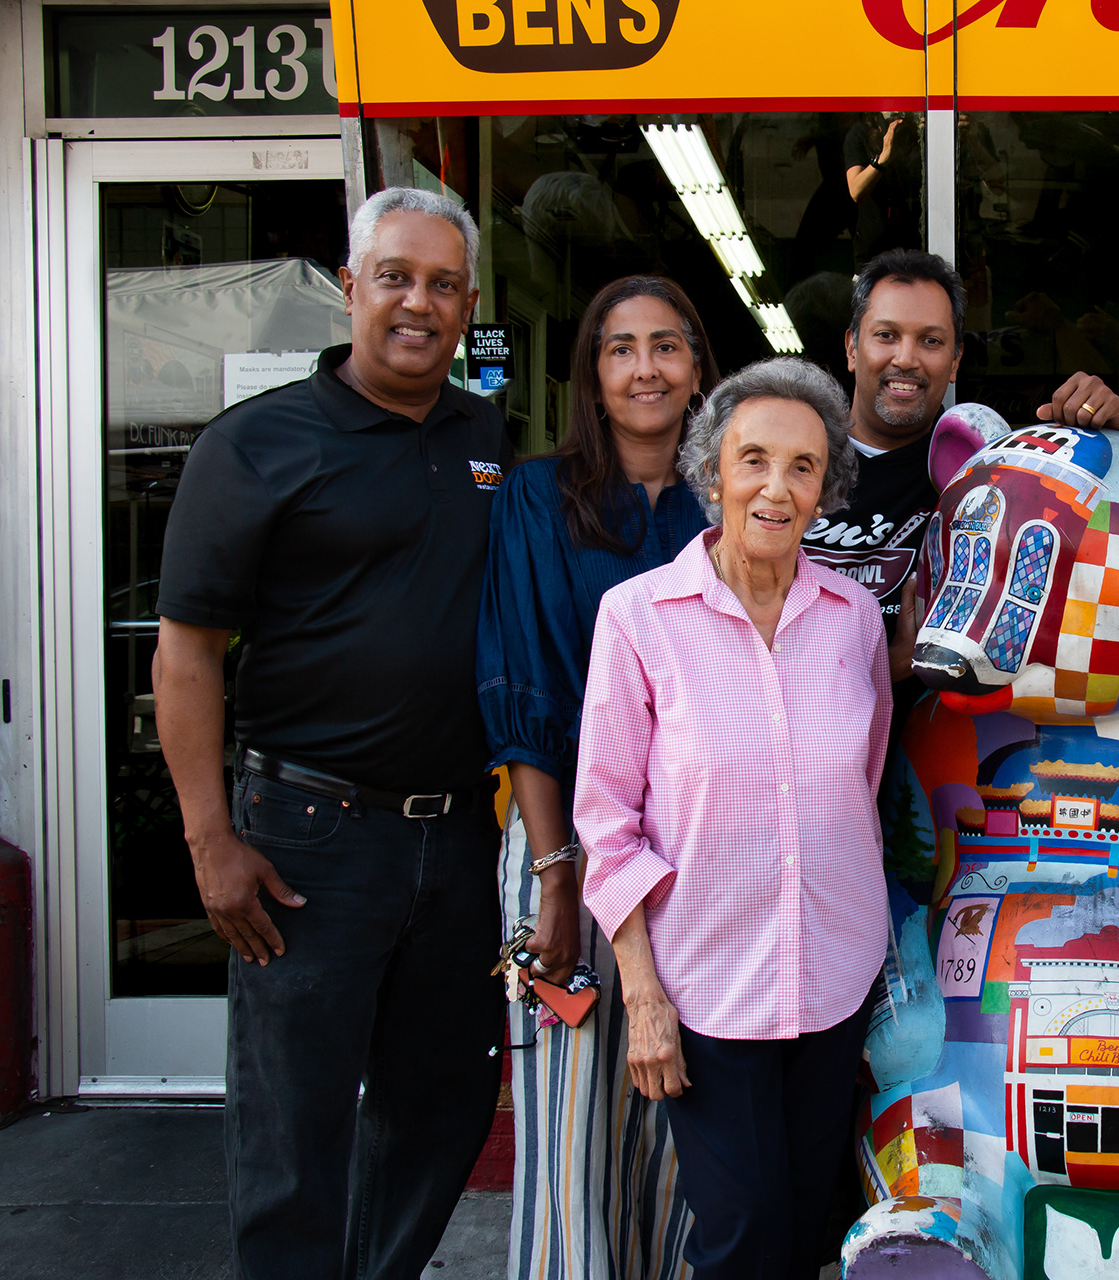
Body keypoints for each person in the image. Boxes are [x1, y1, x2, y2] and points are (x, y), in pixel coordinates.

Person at [152, 188, 510, 1279]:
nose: (418, 302)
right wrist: (210, 837)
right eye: (396, 276)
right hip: (306, 835)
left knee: (444, 1104)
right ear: (350, 286)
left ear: (469, 304)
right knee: (294, 1130)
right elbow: (186, 653)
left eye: (443, 284)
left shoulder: (487, 437)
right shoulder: (255, 444)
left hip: (454, 839)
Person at [576, 358, 890, 1280]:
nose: (777, 488)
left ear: (824, 489)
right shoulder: (638, 618)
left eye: (802, 468)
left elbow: (856, 789)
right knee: (741, 1233)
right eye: (754, 460)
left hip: (833, 978)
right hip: (707, 991)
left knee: (805, 1232)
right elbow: (607, 821)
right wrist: (643, 1000)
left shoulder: (854, 619)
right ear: (712, 473)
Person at [477, 275, 721, 1280]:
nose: (646, 367)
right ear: (593, 372)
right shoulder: (539, 495)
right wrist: (555, 872)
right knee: (572, 1131)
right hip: (563, 848)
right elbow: (523, 686)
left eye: (667, 346)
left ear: (698, 366)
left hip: (698, 861)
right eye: (621, 348)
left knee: (680, 1128)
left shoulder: (730, 497)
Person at [811, 248, 1119, 699]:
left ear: (955, 361)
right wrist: (892, 665)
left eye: (931, 341)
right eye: (886, 335)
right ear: (852, 348)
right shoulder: (798, 457)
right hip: (801, 744)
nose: (907, 358)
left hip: (938, 748)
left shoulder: (991, 473)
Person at [845, 113, 924, 268]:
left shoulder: (919, 130)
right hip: (874, 251)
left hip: (915, 245)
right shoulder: (861, 132)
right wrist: (883, 159)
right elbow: (856, 191)